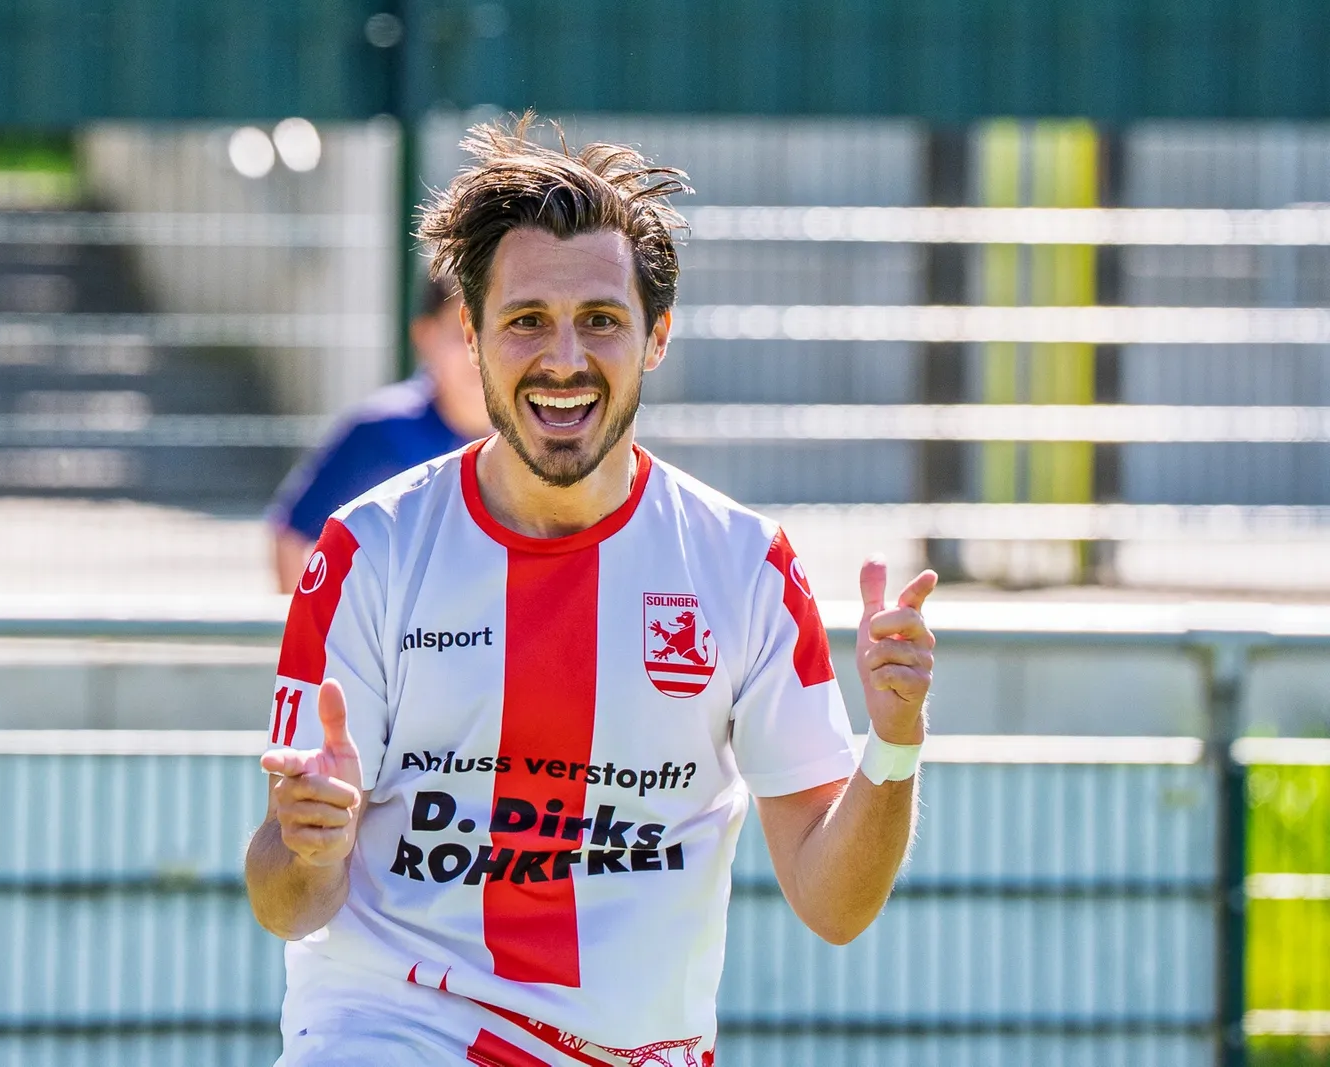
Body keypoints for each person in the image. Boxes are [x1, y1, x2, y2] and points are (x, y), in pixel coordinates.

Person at [245, 116, 938, 1067]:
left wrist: (894, 742)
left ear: (656, 337)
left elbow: (835, 905)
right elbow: (285, 899)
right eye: (527, 318)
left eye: (602, 320)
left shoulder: (744, 566)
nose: (565, 358)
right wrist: (308, 845)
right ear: (471, 337)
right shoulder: (367, 551)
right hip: (395, 1029)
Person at [267, 275, 493, 592]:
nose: (478, 353)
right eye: (461, 335)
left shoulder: (530, 439)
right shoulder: (381, 430)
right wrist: (315, 620)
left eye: (491, 334)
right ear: (425, 336)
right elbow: (292, 537)